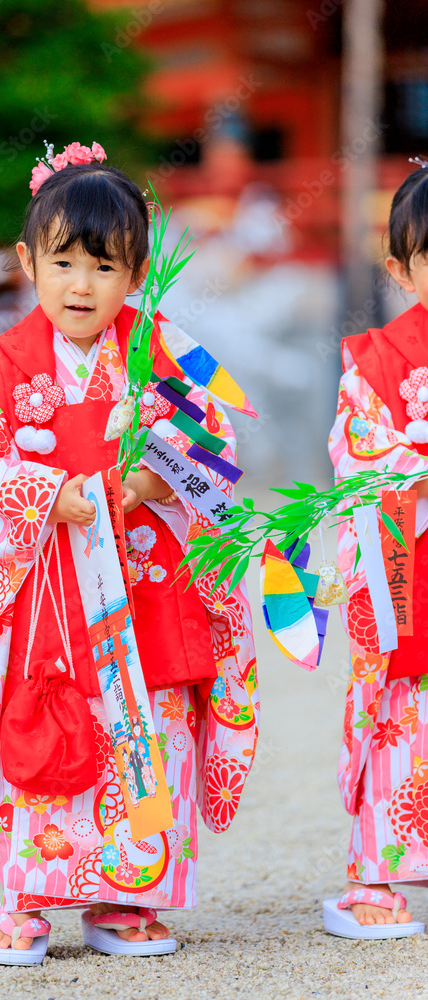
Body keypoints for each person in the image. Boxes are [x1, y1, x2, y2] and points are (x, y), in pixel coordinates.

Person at [0, 140, 259, 964]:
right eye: (64, 262)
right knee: (49, 724)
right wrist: (54, 496)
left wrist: (157, 483)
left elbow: (216, 449)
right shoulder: (6, 366)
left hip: (146, 583)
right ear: (27, 261)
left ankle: (126, 898)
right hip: (52, 589)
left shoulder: (166, 355)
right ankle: (27, 896)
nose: (82, 286)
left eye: (106, 267)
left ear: (138, 272)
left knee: (150, 723)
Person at [325, 162, 428, 938]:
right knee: (399, 718)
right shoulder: (376, 362)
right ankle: (380, 875)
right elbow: (358, 454)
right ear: (399, 270)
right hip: (409, 568)